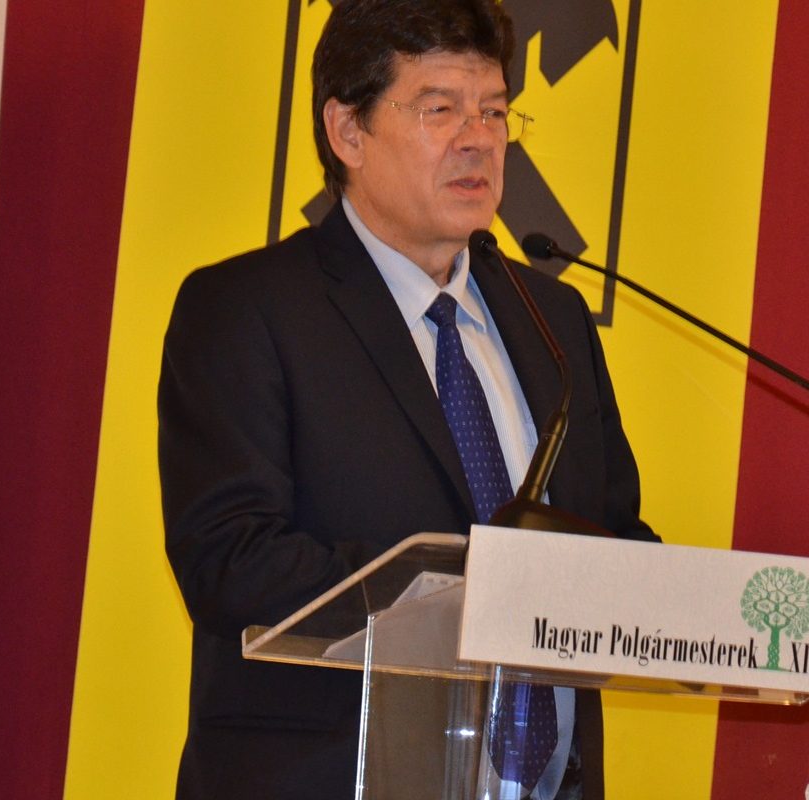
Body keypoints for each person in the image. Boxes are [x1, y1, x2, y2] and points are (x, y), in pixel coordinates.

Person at [157, 1, 656, 797]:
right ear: (347, 131)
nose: (479, 138)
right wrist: (472, 596)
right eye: (440, 109)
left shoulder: (552, 319)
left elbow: (616, 536)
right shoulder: (249, 309)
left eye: (495, 111)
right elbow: (231, 562)